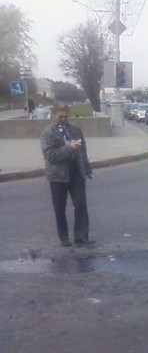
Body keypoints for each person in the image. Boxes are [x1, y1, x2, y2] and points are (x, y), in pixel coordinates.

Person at [40, 102, 94, 247]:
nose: (63, 119)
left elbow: (83, 150)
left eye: (66, 116)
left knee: (81, 205)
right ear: (53, 114)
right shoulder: (48, 133)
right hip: (58, 175)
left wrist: (87, 168)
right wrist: (68, 148)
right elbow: (50, 155)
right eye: (60, 116)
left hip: (76, 172)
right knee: (60, 208)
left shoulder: (75, 129)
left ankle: (81, 236)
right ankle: (64, 238)